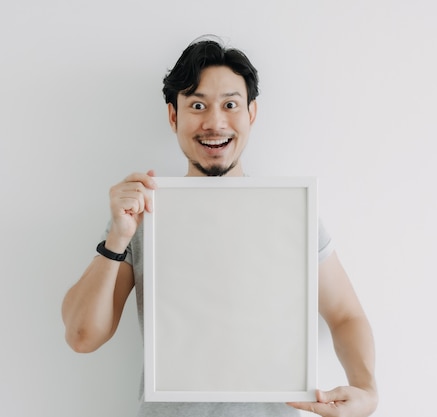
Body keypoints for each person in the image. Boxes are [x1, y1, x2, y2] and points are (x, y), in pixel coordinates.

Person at [62, 36, 378, 417]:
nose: (214, 122)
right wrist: (117, 237)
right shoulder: (140, 215)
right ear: (173, 116)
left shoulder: (292, 211)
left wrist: (366, 389)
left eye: (230, 104)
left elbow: (345, 314)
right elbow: (82, 337)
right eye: (197, 105)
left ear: (251, 113)